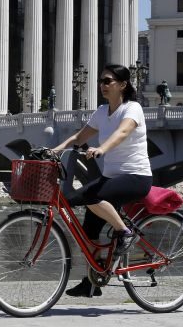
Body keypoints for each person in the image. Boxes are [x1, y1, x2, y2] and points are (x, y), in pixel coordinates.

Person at [52, 64, 152, 298]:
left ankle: (124, 233)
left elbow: (123, 133)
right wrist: (56, 149)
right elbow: (79, 137)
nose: (102, 85)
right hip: (111, 178)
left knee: (90, 195)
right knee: (87, 230)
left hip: (136, 177)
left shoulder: (133, 108)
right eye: (101, 81)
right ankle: (93, 281)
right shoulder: (101, 111)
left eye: (108, 81)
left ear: (123, 85)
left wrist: (102, 148)